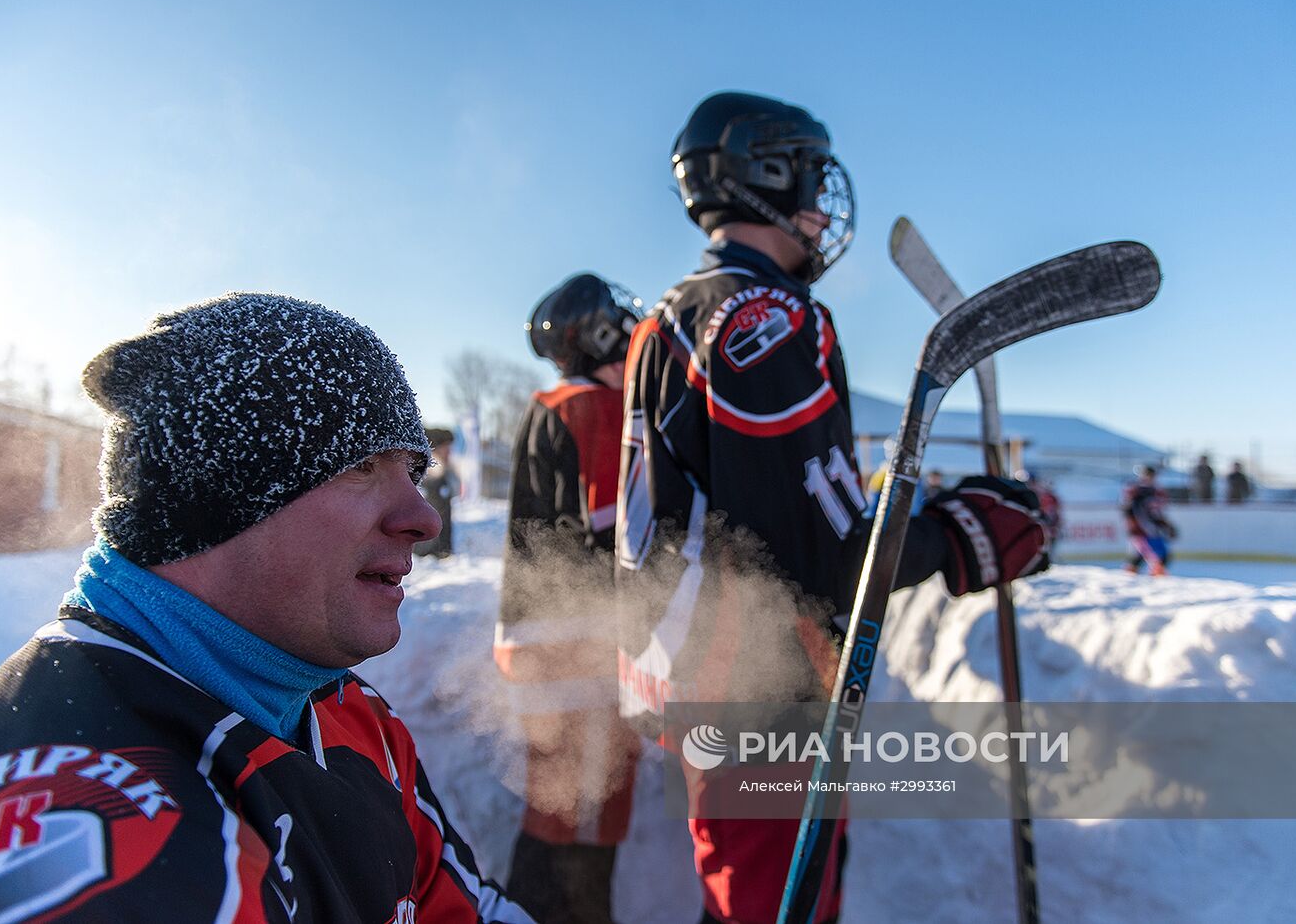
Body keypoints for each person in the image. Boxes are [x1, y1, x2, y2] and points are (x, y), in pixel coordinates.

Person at [616, 91, 1052, 924]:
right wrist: (967, 538)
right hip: (761, 690)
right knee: (777, 905)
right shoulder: (766, 317)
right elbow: (828, 558)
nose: (820, 206)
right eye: (809, 176)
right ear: (765, 175)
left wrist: (896, 506)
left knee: (746, 896)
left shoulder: (669, 315)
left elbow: (754, 504)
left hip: (707, 678)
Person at [0, 293, 531, 923]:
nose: (423, 519)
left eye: (413, 471)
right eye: (363, 466)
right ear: (217, 497)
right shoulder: (83, 817)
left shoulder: (348, 713)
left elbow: (465, 909)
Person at [495, 273, 643, 923]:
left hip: (547, 647)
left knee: (558, 812)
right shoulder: (595, 407)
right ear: (600, 332)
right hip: (580, 652)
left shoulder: (553, 402)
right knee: (578, 828)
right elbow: (622, 539)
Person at [1123, 464, 1178, 575]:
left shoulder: (1155, 491)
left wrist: (1165, 525)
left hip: (1150, 530)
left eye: (1152, 476)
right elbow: (1129, 511)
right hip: (1142, 530)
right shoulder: (1136, 491)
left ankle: (1151, 575)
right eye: (1148, 475)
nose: (1150, 478)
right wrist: (1135, 527)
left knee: (1146, 555)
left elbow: (1156, 514)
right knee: (1159, 555)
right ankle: (1133, 575)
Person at [416, 427, 460, 558]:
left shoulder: (444, 474)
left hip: (440, 553)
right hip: (427, 554)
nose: (449, 452)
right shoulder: (428, 477)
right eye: (446, 448)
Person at [1016, 469, 1063, 550]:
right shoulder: (1024, 494)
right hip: (1036, 530)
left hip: (1045, 528)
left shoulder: (1046, 495)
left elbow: (1055, 512)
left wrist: (1056, 526)